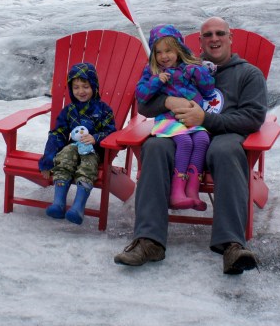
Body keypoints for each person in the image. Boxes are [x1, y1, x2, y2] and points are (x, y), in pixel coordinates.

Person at [114, 17, 268, 275]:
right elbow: (145, 106)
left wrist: (206, 119)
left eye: (220, 33)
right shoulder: (181, 67)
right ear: (199, 41)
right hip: (181, 136)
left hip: (224, 136)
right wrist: (169, 102)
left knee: (226, 150)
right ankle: (149, 241)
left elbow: (253, 117)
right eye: (208, 35)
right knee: (154, 148)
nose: (214, 39)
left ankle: (231, 245)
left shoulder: (248, 74)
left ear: (231, 38)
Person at [136, 25, 215, 211]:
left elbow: (209, 90)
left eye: (169, 50)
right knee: (186, 143)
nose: (164, 56)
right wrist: (156, 81)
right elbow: (141, 95)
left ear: (178, 49)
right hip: (168, 120)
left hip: (191, 119)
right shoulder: (152, 72)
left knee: (203, 139)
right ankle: (177, 192)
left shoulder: (189, 68)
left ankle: (193, 191)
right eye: (159, 52)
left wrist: (199, 72)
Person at [39, 63, 116, 225]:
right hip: (73, 149)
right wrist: (47, 160)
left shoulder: (104, 110)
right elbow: (57, 133)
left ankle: (78, 207)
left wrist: (96, 137)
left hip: (93, 151)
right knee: (65, 155)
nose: (81, 91)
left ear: (94, 86)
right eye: (76, 87)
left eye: (85, 86)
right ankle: (58, 204)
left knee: (87, 164)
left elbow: (112, 131)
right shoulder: (69, 110)